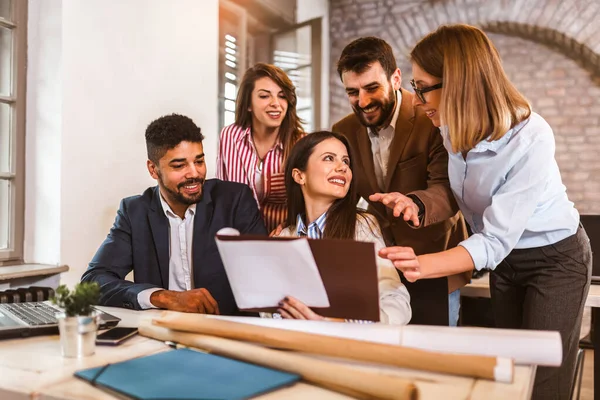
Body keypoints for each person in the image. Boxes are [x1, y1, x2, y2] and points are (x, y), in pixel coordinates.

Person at [379, 24, 591, 399]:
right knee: (510, 375)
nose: (416, 99)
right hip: (506, 262)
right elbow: (454, 195)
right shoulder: (450, 126)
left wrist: (421, 265)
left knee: (542, 383)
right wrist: (414, 202)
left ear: (458, 83)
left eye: (422, 87)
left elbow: (494, 238)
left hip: (555, 259)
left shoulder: (531, 136)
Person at [332, 36, 469, 326]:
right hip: (382, 267)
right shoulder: (342, 130)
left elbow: (446, 188)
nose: (363, 101)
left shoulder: (430, 118)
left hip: (435, 258)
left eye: (372, 88)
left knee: (434, 354)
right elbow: (341, 192)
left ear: (396, 78)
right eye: (352, 92)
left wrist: (416, 205)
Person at [82, 114, 267, 315]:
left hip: (225, 333)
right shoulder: (135, 212)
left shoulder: (235, 200)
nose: (194, 173)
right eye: (179, 166)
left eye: (199, 161)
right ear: (153, 169)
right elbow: (93, 281)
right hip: (160, 332)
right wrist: (163, 297)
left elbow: (264, 274)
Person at [275, 131, 411, 325]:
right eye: (329, 158)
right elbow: (271, 306)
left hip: (347, 347)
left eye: (346, 161)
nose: (342, 168)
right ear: (299, 175)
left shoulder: (363, 226)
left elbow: (396, 301)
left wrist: (343, 323)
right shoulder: (284, 238)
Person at [217, 63, 305, 233]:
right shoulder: (230, 135)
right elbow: (223, 195)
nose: (276, 104)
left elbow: (309, 204)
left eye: (282, 96)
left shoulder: (301, 144)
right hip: (240, 237)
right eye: (265, 96)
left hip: (283, 239)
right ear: (248, 104)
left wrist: (289, 225)